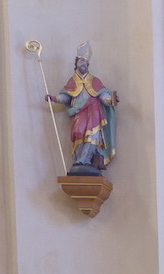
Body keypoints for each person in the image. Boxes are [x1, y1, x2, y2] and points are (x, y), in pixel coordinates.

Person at [47, 42, 119, 175]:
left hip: (94, 113)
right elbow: (66, 97)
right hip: (79, 114)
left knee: (93, 136)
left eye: (85, 62)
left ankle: (84, 161)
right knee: (79, 134)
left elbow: (103, 95)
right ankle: (78, 160)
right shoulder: (72, 81)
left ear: (88, 64)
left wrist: (111, 100)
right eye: (81, 61)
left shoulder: (95, 81)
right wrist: (54, 98)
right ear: (76, 63)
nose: (83, 64)